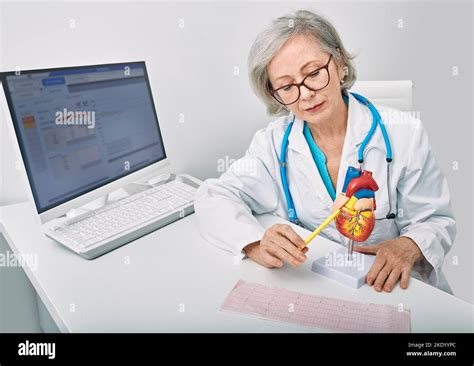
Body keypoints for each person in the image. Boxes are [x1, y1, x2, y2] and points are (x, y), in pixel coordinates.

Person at [194, 10, 456, 293]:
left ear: (340, 62)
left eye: (314, 73)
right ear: (274, 94)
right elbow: (214, 196)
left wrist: (410, 244)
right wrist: (254, 242)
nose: (305, 93)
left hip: (394, 289)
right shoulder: (272, 144)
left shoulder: (404, 133)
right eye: (286, 86)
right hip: (317, 287)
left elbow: (436, 221)